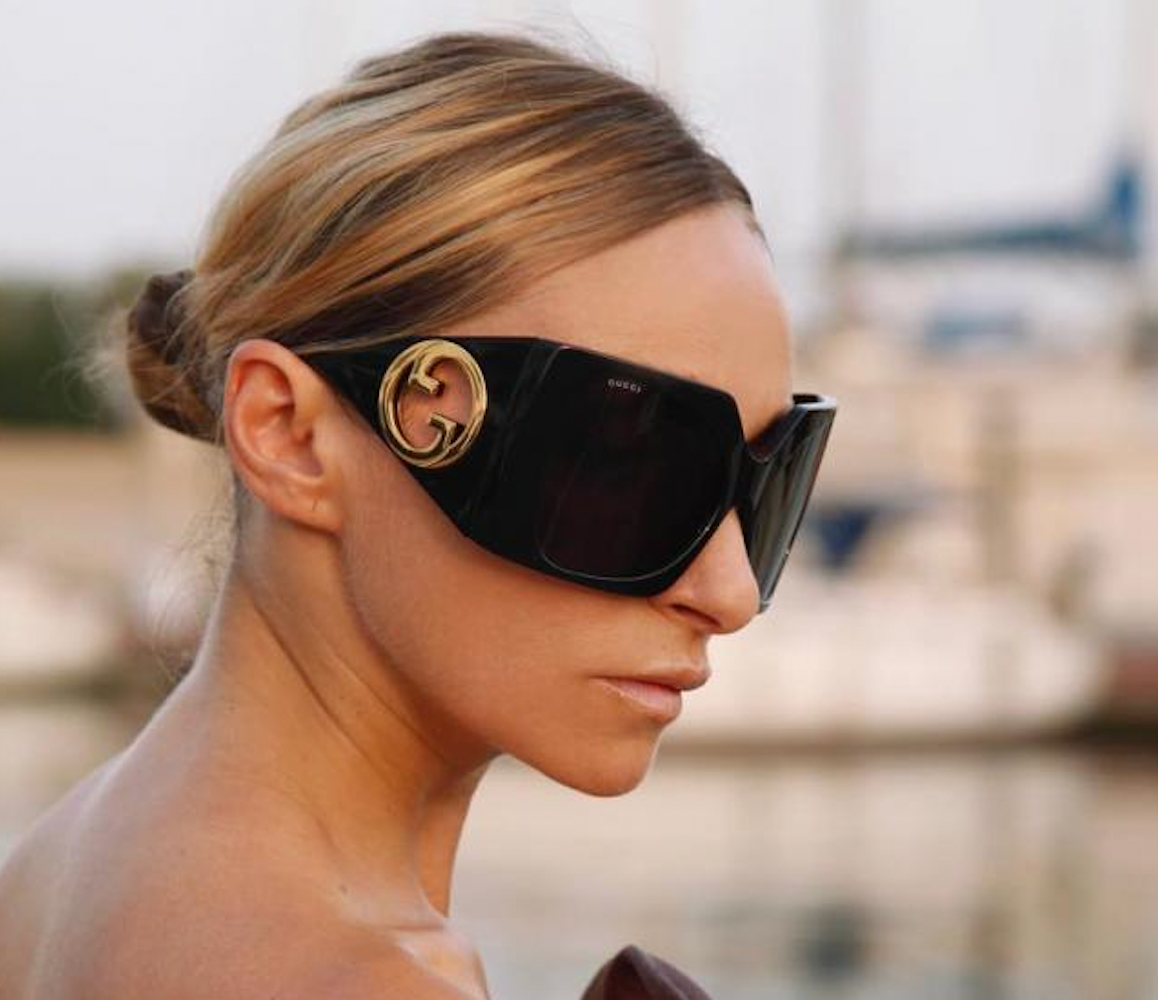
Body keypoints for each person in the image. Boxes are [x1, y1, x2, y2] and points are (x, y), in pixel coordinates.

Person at [0, 29, 835, 1000]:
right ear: (288, 434)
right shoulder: (349, 978)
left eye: (768, 477)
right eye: (628, 458)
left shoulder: (53, 872)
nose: (729, 593)